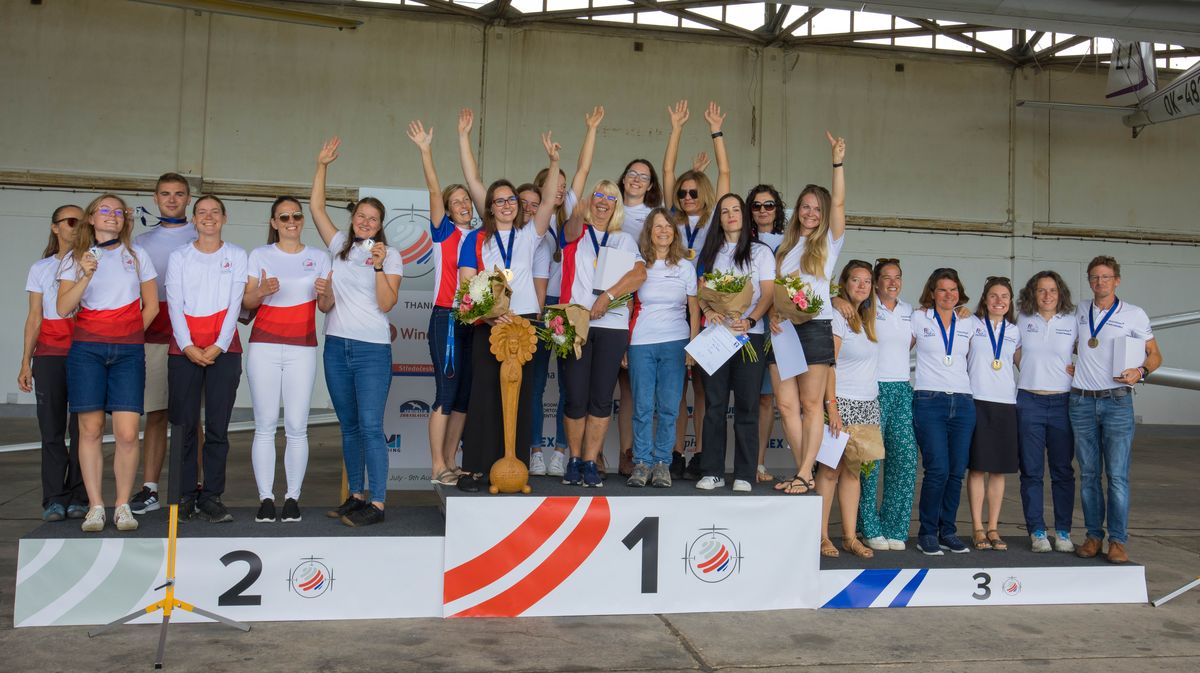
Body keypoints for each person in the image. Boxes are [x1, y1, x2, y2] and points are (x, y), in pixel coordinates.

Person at [455, 132, 561, 492]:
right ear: (489, 207)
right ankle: (476, 469)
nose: (505, 205)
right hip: (490, 325)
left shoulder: (530, 235)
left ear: (518, 204)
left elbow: (547, 203)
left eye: (511, 200)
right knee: (484, 394)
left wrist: (554, 162)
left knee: (521, 394)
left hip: (525, 324)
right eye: (498, 201)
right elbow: (467, 288)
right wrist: (486, 315)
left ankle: (513, 466)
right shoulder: (476, 240)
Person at [311, 137, 404, 527]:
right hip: (336, 346)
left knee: (369, 425)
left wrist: (380, 267)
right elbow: (316, 207)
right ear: (354, 219)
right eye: (361, 216)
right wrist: (322, 166)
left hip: (371, 350)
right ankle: (356, 495)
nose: (365, 222)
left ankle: (378, 503)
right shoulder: (339, 247)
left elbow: (386, 305)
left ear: (381, 226)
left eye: (373, 219)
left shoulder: (390, 255)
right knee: (348, 426)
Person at [56, 195, 159, 533]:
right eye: (105, 210)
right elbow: (62, 307)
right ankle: (96, 506)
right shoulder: (75, 259)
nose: (112, 216)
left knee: (128, 433)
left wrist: (126, 334)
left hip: (128, 352)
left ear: (125, 220)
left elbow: (152, 306)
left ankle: (123, 506)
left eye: (118, 212)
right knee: (91, 429)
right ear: (90, 218)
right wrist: (85, 275)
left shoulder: (137, 255)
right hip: (87, 350)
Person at [243, 197, 333, 523]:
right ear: (274, 222)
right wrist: (263, 290)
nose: (291, 221)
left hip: (302, 348)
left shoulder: (319, 257)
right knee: (264, 426)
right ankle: (266, 498)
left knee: (297, 426)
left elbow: (325, 306)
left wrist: (325, 292)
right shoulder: (260, 255)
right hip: (264, 346)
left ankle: (292, 497)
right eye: (284, 217)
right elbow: (247, 300)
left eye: (296, 215)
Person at [1070, 255, 1162, 564]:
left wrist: (1141, 372)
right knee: (1089, 475)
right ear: (1089, 281)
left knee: (1118, 476)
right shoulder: (1079, 312)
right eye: (1095, 277)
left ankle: (1118, 541)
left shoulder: (1135, 315)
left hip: (1117, 401)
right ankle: (1093, 536)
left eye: (1106, 277)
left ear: (1117, 280)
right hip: (1081, 401)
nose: (1100, 282)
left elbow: (1154, 356)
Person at [558, 178, 647, 488]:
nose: (603, 201)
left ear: (617, 206)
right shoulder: (575, 234)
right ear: (588, 201)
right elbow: (570, 226)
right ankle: (573, 459)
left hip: (612, 326)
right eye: (598, 194)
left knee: (600, 399)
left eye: (610, 197)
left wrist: (607, 297)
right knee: (575, 397)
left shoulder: (624, 240)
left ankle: (590, 461)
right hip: (577, 322)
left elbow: (639, 274)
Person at [772, 133, 847, 495]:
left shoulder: (829, 243)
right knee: (786, 405)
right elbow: (777, 290)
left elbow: (841, 205)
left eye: (817, 208)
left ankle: (803, 473)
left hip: (815, 327)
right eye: (805, 206)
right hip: (783, 329)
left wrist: (837, 162)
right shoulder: (785, 246)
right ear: (796, 210)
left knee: (809, 403)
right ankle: (807, 472)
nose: (811, 213)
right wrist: (772, 312)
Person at [165, 195, 247, 523]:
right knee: (184, 426)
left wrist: (219, 345)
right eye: (202, 212)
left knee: (217, 426)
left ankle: (211, 495)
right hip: (183, 351)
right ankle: (185, 494)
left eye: (215, 212)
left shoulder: (237, 255)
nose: (208, 217)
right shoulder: (179, 256)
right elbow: (173, 301)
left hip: (223, 351)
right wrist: (187, 345)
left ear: (224, 218)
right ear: (194, 220)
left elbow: (235, 302)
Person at [663, 100, 732, 480]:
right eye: (683, 193)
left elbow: (724, 171)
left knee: (705, 391)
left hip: (709, 312)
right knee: (676, 392)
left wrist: (716, 131)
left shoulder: (716, 222)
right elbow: (670, 170)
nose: (687, 197)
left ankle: (703, 454)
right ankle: (674, 453)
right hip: (676, 312)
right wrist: (675, 128)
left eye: (693, 192)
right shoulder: (671, 220)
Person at [407, 120, 476, 487]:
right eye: (457, 202)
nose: (464, 205)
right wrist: (426, 150)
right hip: (446, 318)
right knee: (446, 392)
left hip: (474, 322)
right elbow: (434, 190)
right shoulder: (444, 232)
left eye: (467, 200)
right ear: (447, 211)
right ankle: (436, 465)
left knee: (464, 396)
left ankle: (452, 460)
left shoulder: (482, 237)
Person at [695, 194, 774, 492]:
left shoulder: (761, 252)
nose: (731, 215)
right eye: (724, 211)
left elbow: (766, 294)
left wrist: (751, 320)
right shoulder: (709, 253)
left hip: (748, 336)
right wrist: (710, 311)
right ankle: (712, 471)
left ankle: (744, 472)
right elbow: (700, 294)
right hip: (715, 336)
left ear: (745, 215)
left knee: (747, 406)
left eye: (735, 210)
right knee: (714, 405)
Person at [129, 173, 196, 515]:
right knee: (156, 414)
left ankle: (193, 488)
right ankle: (150, 488)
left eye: (179, 194)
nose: (172, 199)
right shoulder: (140, 242)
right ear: (155, 198)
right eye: (166, 194)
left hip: (194, 338)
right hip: (154, 335)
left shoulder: (202, 236)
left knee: (191, 418)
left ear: (188, 198)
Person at [20, 205, 85, 522]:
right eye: (71, 221)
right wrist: (25, 362)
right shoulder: (40, 268)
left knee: (84, 428)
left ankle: (79, 496)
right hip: (48, 355)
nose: (77, 226)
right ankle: (54, 499)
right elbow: (34, 317)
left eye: (82, 221)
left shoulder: (92, 263)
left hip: (85, 352)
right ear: (55, 227)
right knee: (52, 429)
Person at [626, 208, 699, 488]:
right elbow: (629, 304)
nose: (663, 231)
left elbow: (694, 309)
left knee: (669, 408)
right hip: (641, 343)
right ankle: (641, 463)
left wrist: (692, 347)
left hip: (675, 343)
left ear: (674, 232)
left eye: (668, 226)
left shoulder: (684, 267)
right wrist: (624, 345)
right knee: (643, 407)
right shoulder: (639, 265)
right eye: (657, 226)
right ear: (649, 231)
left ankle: (662, 464)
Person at [910, 268, 979, 555]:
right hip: (929, 400)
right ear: (932, 293)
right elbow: (895, 347)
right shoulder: (918, 318)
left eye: (953, 290)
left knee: (955, 472)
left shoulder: (970, 321)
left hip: (963, 403)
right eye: (942, 290)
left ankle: (948, 531)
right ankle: (927, 532)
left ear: (959, 293)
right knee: (937, 470)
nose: (948, 295)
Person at [820, 260, 879, 558]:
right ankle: (820, 537)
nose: (861, 285)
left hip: (867, 405)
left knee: (853, 473)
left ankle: (848, 536)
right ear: (845, 283)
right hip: (841, 401)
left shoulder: (868, 317)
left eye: (867, 281)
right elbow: (830, 364)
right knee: (831, 470)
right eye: (856, 280)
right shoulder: (838, 315)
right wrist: (833, 407)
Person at [1014, 270, 1077, 553]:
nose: (1047, 295)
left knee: (1062, 470)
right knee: (1031, 471)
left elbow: (1090, 352)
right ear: (1033, 293)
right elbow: (1012, 350)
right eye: (1041, 290)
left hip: (1063, 403)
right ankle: (1037, 531)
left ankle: (1063, 531)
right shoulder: (1023, 320)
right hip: (1029, 402)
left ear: (1060, 293)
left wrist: (1081, 370)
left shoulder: (1073, 322)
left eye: (1052, 290)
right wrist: (1028, 370)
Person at [859, 258, 918, 551]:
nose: (893, 283)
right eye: (886, 277)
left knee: (905, 458)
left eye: (897, 277)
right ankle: (868, 526)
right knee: (870, 460)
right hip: (872, 389)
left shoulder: (910, 312)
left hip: (902, 389)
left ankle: (895, 526)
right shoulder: (866, 307)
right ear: (876, 281)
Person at [965, 277, 1022, 551]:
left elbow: (1029, 364)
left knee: (998, 470)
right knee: (977, 468)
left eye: (1004, 297)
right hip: (976, 401)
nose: (999, 301)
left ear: (1010, 303)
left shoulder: (1015, 331)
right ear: (984, 299)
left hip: (1005, 404)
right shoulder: (970, 324)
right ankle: (977, 527)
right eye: (993, 296)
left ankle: (993, 527)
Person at [746, 184, 785, 484]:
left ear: (777, 209)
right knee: (747, 397)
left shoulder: (790, 241)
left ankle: (758, 463)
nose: (762, 211)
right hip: (748, 325)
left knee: (767, 399)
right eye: (757, 206)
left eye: (768, 205)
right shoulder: (740, 240)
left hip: (782, 328)